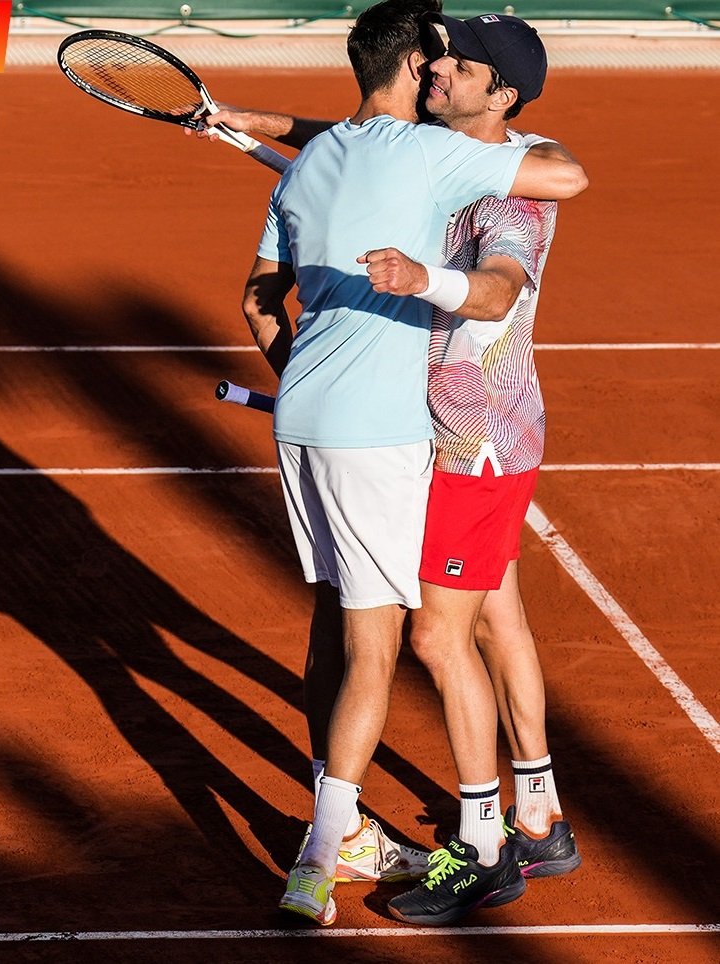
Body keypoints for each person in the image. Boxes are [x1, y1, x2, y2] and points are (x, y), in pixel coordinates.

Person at [210, 0, 587, 926]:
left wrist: (428, 282)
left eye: (457, 66)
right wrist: (266, 128)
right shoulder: (444, 148)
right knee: (494, 616)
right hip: (443, 431)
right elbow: (371, 144)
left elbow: (497, 285)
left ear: (498, 92)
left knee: (433, 638)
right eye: (437, 58)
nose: (438, 71)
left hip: (470, 439)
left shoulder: (507, 184)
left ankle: (487, 845)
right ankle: (538, 811)